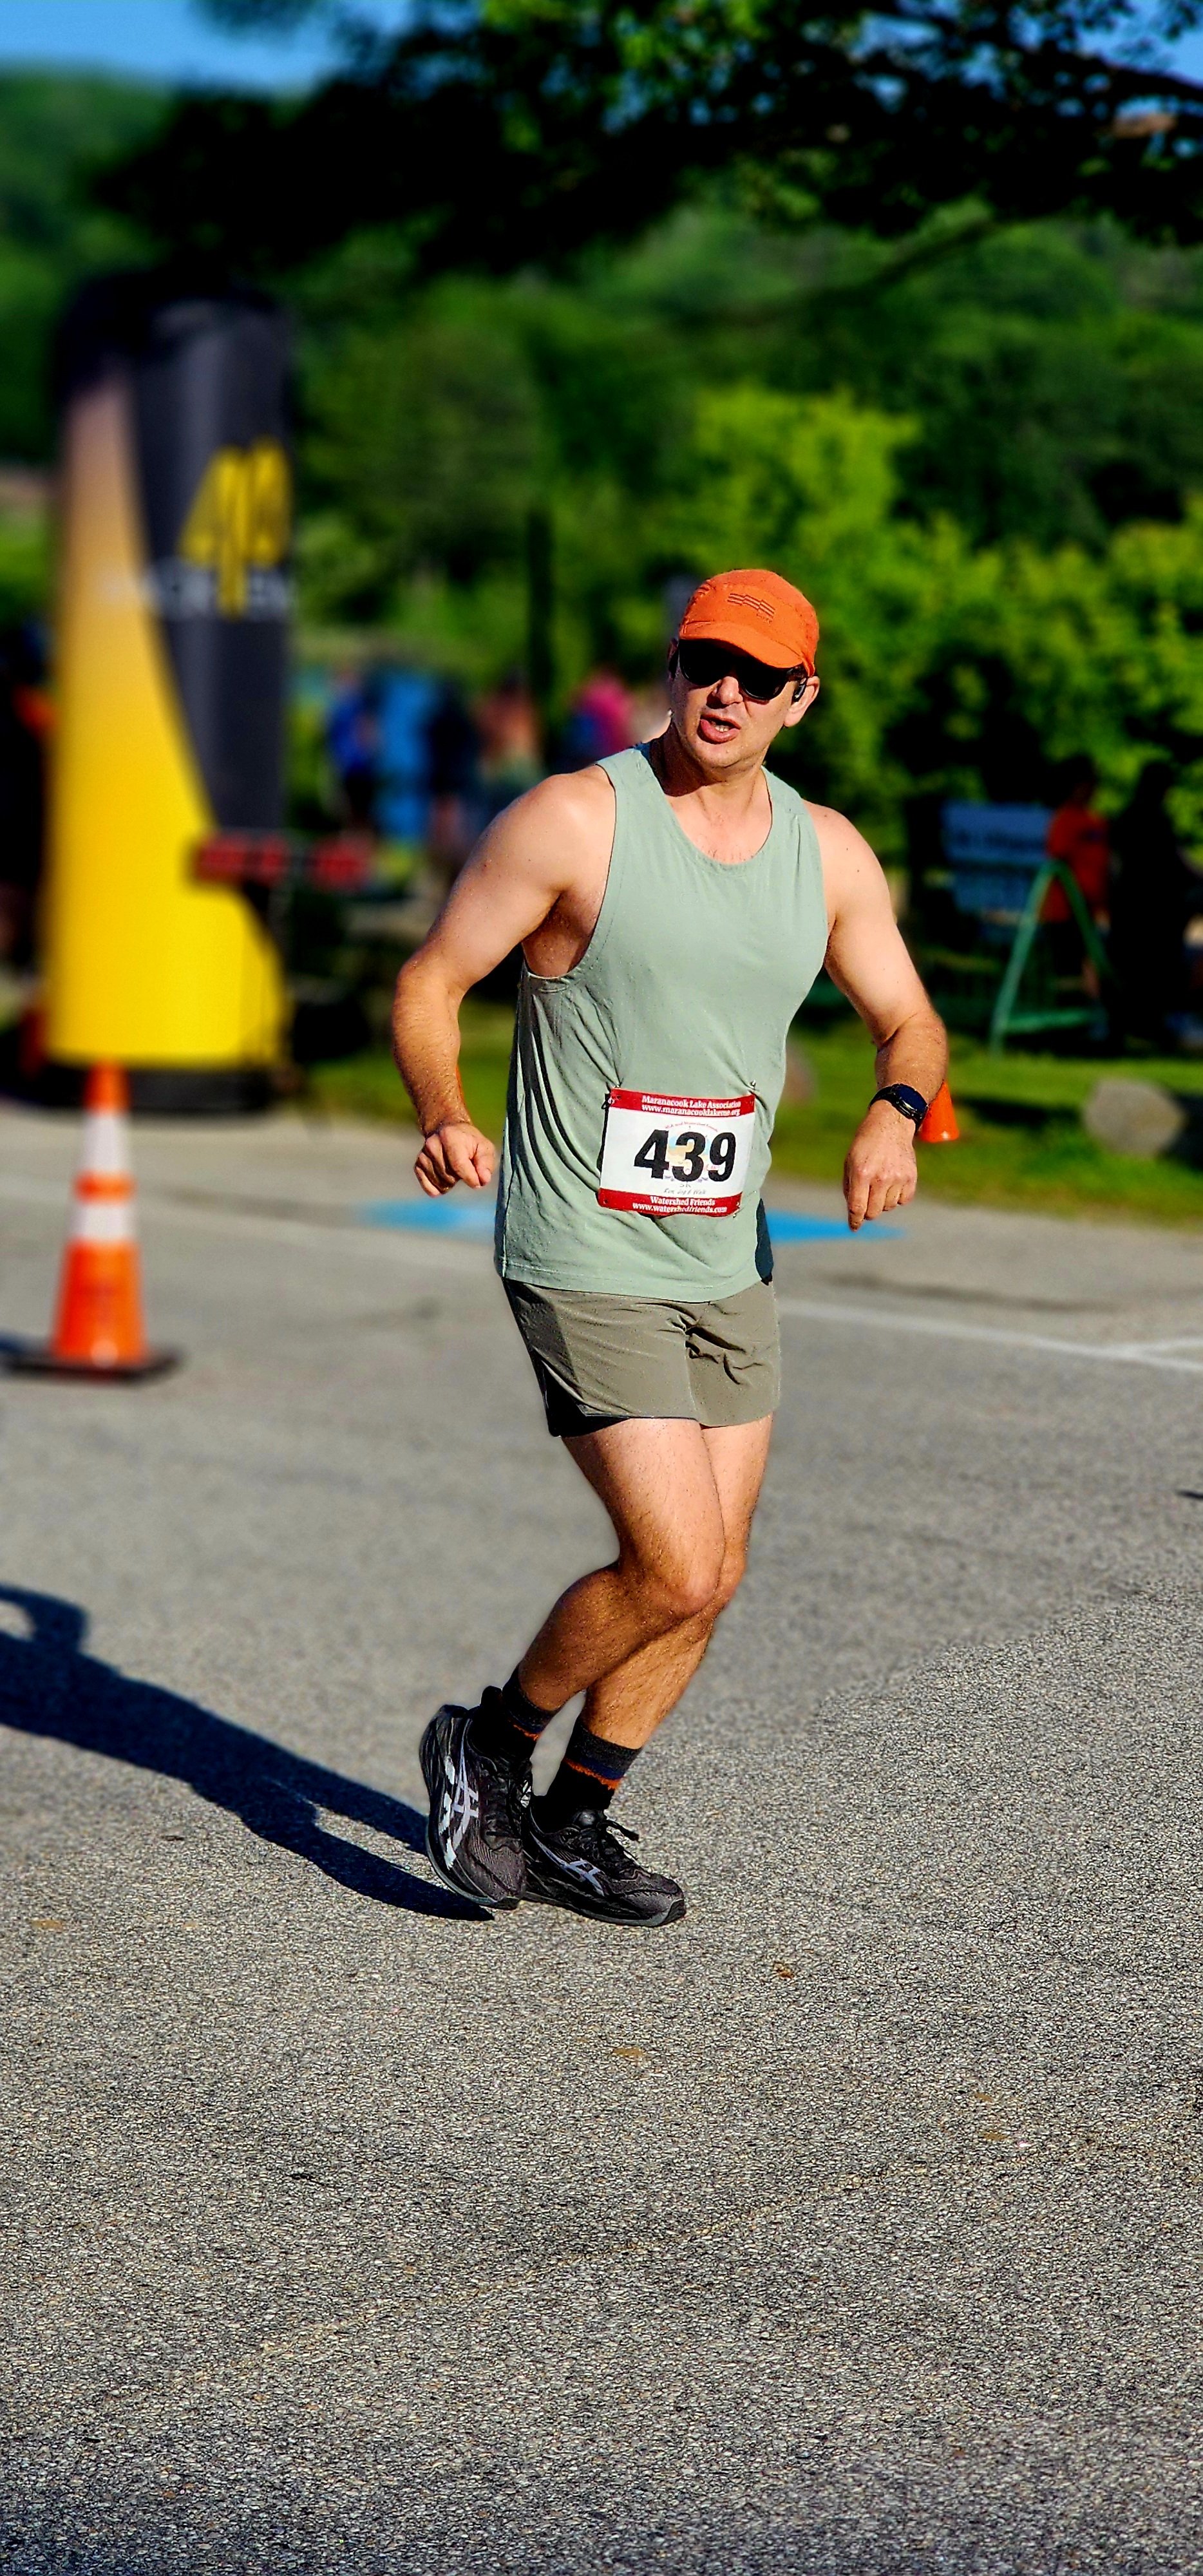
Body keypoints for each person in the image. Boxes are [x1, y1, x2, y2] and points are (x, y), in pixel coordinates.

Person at [392, 567, 947, 1928]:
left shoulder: (828, 854)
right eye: (706, 662)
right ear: (673, 664)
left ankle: (575, 1815)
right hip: (582, 1245)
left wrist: (895, 1109)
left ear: (800, 699)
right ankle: (488, 1744)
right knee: (678, 1561)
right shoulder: (579, 818)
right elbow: (429, 982)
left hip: (727, 1255)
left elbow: (912, 1021)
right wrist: (447, 1108)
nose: (726, 692)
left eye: (759, 676)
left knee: (714, 1573)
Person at [1110, 761, 1199, 1041]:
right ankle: (1173, 1011)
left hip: (1129, 910)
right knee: (1164, 957)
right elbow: (1176, 866)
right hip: (1155, 913)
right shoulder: (1155, 820)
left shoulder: (1125, 817)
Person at [1042, 754, 1110, 990]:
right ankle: (1067, 1018)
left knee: (1093, 962)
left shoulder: (1097, 822)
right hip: (1066, 910)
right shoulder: (1065, 820)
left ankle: (1089, 1014)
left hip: (1091, 910)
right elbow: (1059, 860)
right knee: (1067, 968)